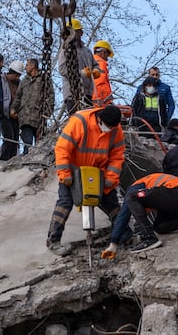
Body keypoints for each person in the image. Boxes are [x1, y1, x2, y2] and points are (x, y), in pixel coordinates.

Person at [47, 105, 125, 256]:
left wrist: (110, 178)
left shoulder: (116, 129)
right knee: (65, 202)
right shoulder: (80, 122)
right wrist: (65, 173)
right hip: (73, 170)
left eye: (112, 127)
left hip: (97, 172)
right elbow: (62, 148)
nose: (109, 129)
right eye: (107, 126)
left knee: (111, 202)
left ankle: (124, 234)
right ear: (100, 119)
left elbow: (117, 157)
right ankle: (53, 240)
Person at [101, 173, 178, 258]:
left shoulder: (134, 187)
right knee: (160, 227)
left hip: (176, 191)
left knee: (131, 197)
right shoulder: (152, 188)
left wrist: (113, 243)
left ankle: (149, 238)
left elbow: (123, 215)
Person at [11, 59, 54, 155]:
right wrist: (13, 108)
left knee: (40, 145)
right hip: (25, 118)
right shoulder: (24, 81)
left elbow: (50, 96)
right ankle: (26, 162)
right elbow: (18, 97)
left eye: (27, 65)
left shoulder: (44, 79)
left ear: (33, 66)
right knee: (27, 144)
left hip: (39, 118)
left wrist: (47, 113)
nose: (25, 67)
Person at [58, 18, 100, 114]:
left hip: (88, 93)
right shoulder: (66, 49)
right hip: (72, 93)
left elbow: (95, 65)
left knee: (87, 122)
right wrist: (81, 73)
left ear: (81, 33)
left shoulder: (87, 51)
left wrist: (96, 70)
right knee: (76, 121)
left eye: (76, 32)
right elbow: (62, 69)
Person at [0, 61, 22, 160]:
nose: (17, 78)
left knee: (15, 140)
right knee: (9, 138)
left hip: (16, 115)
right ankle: (4, 159)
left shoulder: (19, 84)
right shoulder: (2, 80)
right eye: (16, 75)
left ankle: (12, 159)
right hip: (5, 114)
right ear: (11, 73)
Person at [92, 40, 114, 106]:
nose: (107, 59)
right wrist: (104, 100)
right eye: (107, 55)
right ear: (103, 52)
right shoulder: (100, 63)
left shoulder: (92, 61)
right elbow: (100, 82)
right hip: (100, 100)